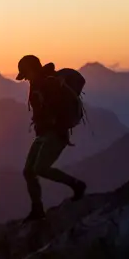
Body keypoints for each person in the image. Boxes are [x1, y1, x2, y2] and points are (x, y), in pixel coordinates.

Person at [15, 55, 87, 222]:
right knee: (28, 171)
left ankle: (76, 185)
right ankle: (37, 209)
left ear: (32, 70)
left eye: (26, 74)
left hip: (55, 134)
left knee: (40, 169)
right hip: (44, 135)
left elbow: (55, 111)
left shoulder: (49, 84)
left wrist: (55, 125)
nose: (25, 79)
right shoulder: (38, 84)